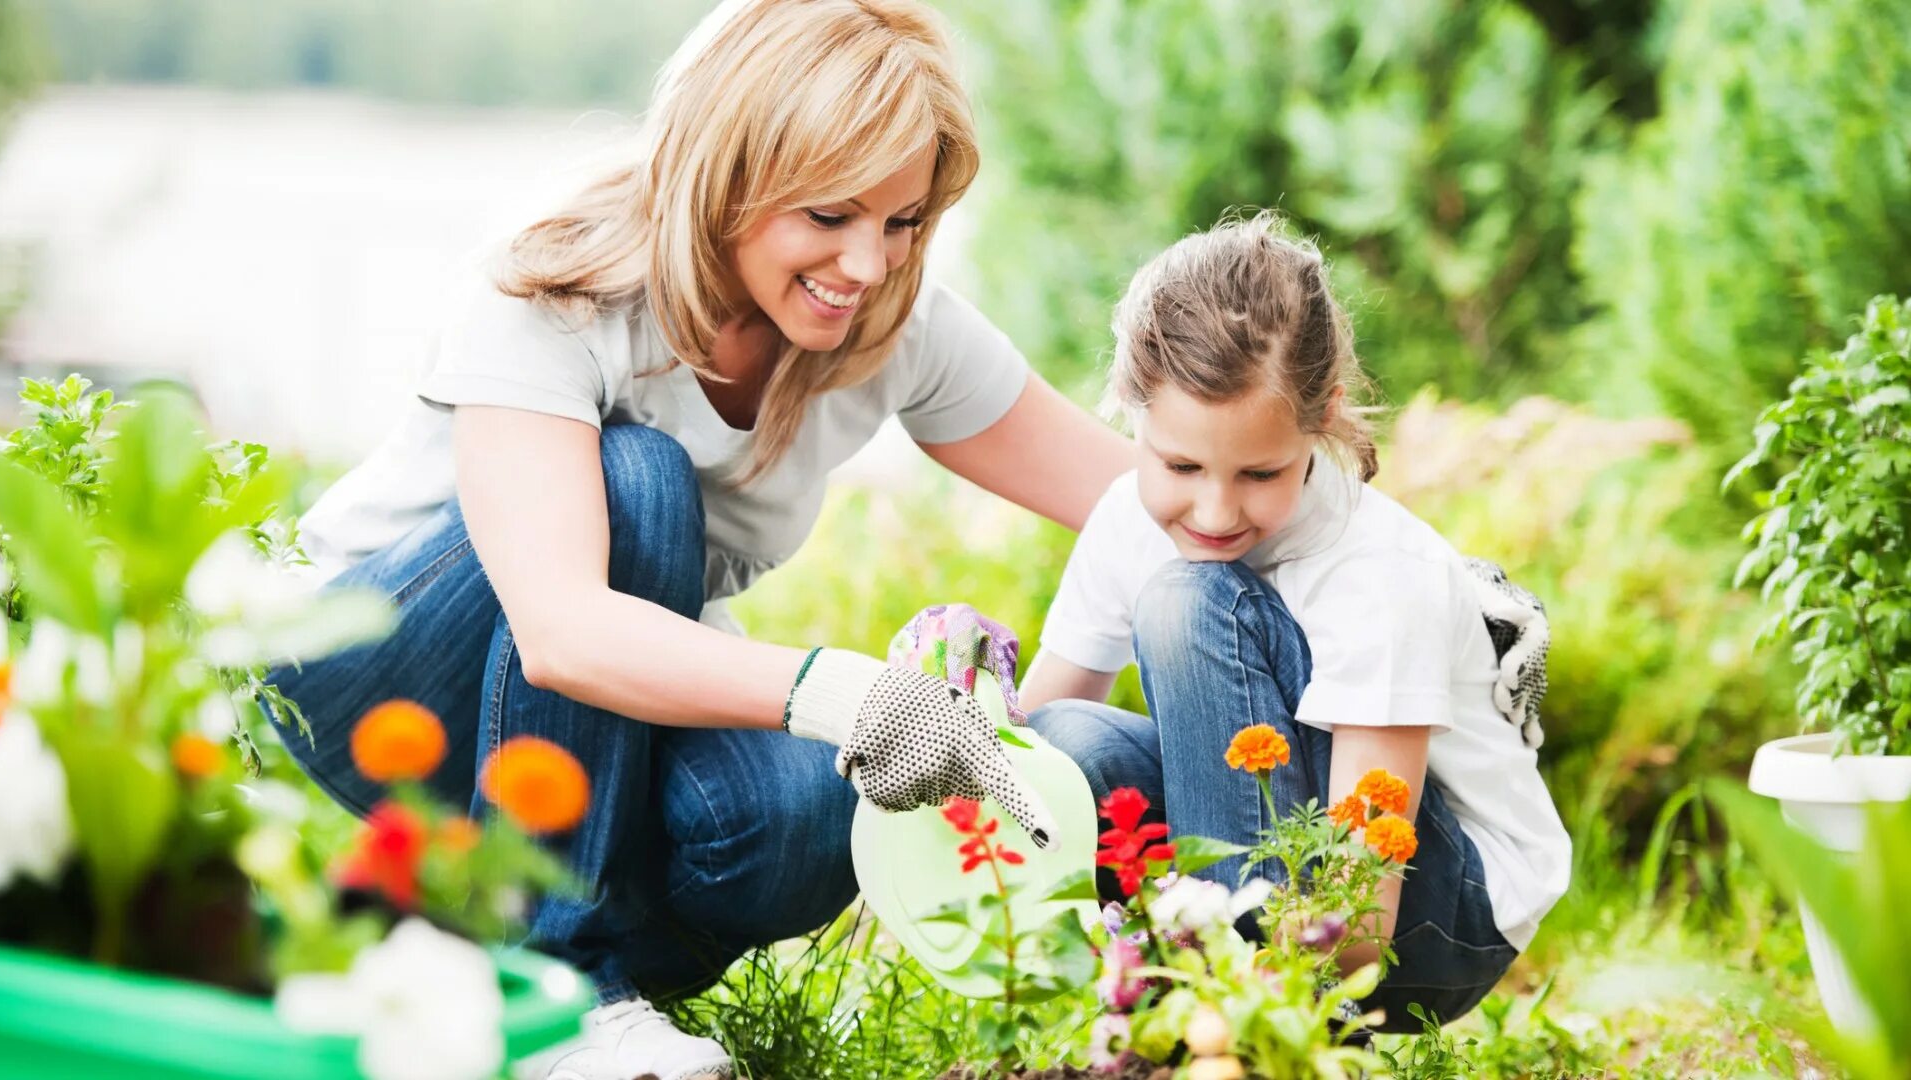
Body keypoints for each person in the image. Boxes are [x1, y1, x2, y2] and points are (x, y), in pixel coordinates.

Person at [266, 2, 1132, 1077]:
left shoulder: (891, 323)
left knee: (816, 807)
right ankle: (555, 997)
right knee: (638, 482)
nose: (867, 263)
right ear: (730, 175)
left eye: (904, 221)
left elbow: (1146, 498)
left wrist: (1331, 529)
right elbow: (564, 633)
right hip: (362, 685)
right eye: (829, 214)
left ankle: (524, 973)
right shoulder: (558, 291)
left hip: (568, 743)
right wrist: (858, 694)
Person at [1019, 212, 1571, 1029]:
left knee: (1186, 599)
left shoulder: (1379, 575)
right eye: (1179, 465)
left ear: (1322, 420)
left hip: (1435, 917)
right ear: (1131, 415)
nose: (1213, 509)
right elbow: (1024, 752)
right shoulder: (1126, 518)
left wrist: (1241, 989)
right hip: (1277, 865)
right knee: (1067, 747)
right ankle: (1186, 995)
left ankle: (1237, 1020)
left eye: (1259, 472)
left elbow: (1362, 922)